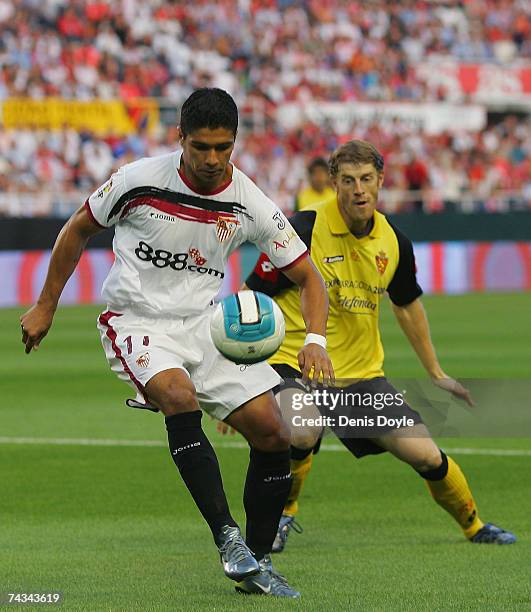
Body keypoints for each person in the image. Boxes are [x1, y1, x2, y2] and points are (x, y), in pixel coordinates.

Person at [20, 88, 335, 598]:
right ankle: (227, 538)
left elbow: (309, 278)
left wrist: (316, 339)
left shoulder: (248, 200)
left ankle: (254, 566)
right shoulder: (138, 181)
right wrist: (47, 304)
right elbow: (77, 228)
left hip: (206, 327)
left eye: (224, 148)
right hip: (136, 320)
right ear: (180, 138)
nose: (213, 160)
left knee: (278, 434)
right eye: (202, 147)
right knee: (178, 397)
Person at [244, 139, 516, 552]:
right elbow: (253, 298)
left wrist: (436, 373)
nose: (358, 190)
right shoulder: (302, 229)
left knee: (426, 455)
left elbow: (407, 307)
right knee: (301, 427)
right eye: (349, 180)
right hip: (293, 362)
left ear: (381, 181)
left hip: (359, 376)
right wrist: (242, 375)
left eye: (367, 180)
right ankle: (286, 512)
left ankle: (474, 524)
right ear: (334, 182)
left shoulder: (395, 242)